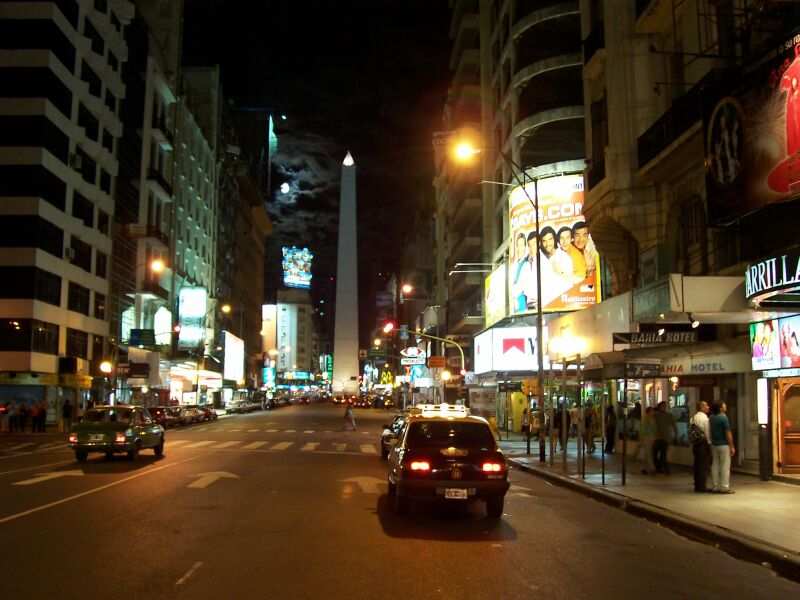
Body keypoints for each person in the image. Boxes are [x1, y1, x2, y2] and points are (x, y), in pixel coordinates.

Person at [710, 402, 735, 494]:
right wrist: (731, 446)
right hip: (724, 445)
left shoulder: (711, 418)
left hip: (714, 444)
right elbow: (728, 433)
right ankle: (724, 487)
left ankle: (715, 486)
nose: (725, 406)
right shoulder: (723, 417)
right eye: (724, 405)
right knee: (725, 466)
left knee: (715, 465)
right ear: (720, 408)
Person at [690, 401, 712, 492]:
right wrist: (710, 444)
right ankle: (702, 486)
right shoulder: (705, 419)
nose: (708, 407)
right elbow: (707, 432)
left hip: (696, 444)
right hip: (703, 444)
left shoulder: (693, 417)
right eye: (706, 405)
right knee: (703, 465)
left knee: (697, 465)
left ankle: (697, 485)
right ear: (702, 407)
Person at [653, 401, 677, 474]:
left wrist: (676, 434)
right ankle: (660, 468)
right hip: (657, 437)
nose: (664, 407)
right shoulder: (656, 415)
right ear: (659, 407)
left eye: (665, 406)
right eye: (662, 406)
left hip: (665, 438)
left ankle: (664, 469)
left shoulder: (669, 415)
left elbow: (674, 425)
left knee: (663, 454)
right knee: (655, 454)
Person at [639, 406, 657, 474]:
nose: (653, 412)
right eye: (652, 411)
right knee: (648, 453)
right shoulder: (646, 419)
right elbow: (643, 429)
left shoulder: (652, 419)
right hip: (647, 437)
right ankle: (652, 468)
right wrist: (642, 438)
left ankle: (644, 468)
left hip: (650, 438)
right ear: (649, 412)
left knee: (647, 454)